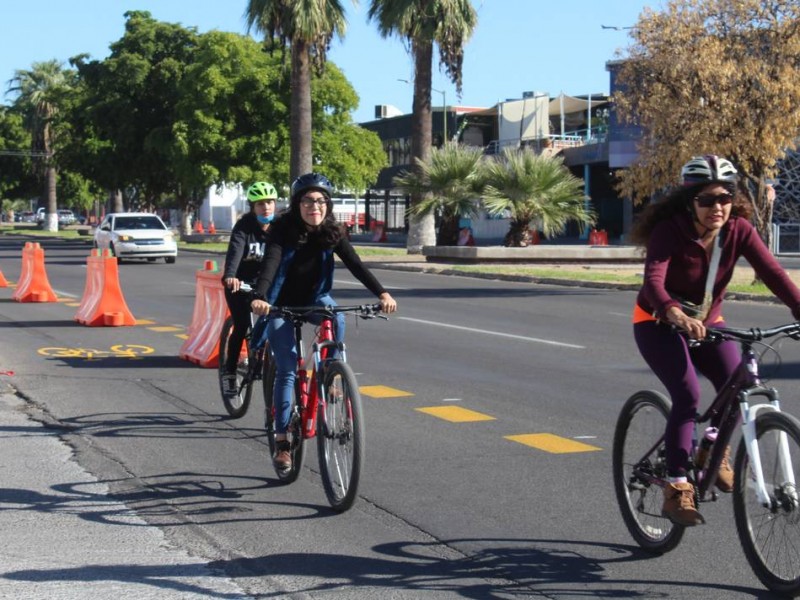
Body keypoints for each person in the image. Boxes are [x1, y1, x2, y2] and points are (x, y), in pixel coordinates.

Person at [630, 154, 800, 526]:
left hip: (708, 323)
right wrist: (672, 311)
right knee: (688, 393)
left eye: (724, 198)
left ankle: (711, 449)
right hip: (657, 323)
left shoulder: (739, 230)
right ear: (689, 201)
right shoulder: (670, 232)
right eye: (706, 200)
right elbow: (653, 282)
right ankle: (677, 486)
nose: (717, 207)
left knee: (737, 383)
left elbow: (773, 274)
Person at [250, 172, 397, 470]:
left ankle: (330, 370)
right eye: (307, 201)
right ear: (296, 204)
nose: (314, 207)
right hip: (280, 303)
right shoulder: (282, 229)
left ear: (327, 205)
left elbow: (356, 264)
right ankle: (282, 441)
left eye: (320, 201)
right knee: (288, 369)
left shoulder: (333, 232)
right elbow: (270, 265)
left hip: (315, 298)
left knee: (335, 314)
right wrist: (262, 296)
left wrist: (382, 292)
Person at [220, 181, 278, 399]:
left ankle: (268, 358)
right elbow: (235, 251)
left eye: (270, 202)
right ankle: (230, 372)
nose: (266, 207)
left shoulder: (279, 227)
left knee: (279, 321)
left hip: (266, 285)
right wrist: (231, 276)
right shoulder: (244, 227)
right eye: (261, 204)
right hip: (241, 285)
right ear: (252, 207)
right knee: (242, 325)